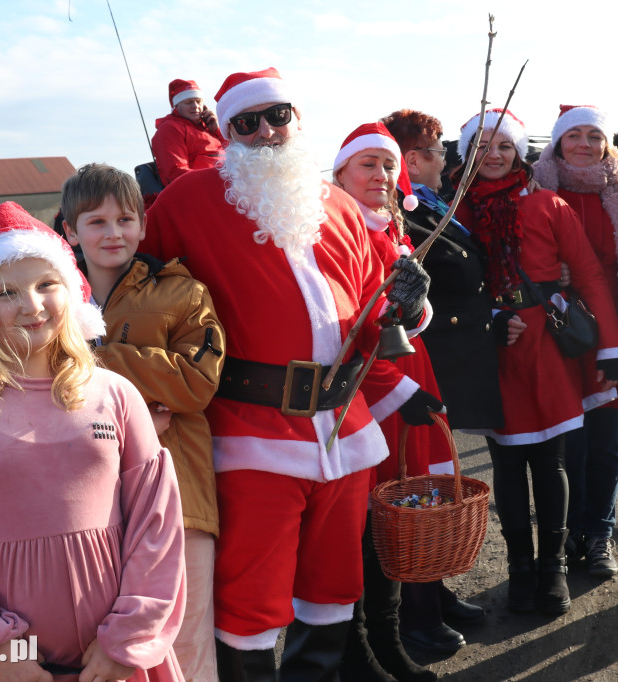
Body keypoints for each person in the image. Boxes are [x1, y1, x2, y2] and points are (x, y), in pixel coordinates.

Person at [140, 67, 433, 681]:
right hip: (250, 433)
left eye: (279, 116)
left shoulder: (340, 207)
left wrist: (405, 306)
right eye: (247, 123)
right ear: (227, 132)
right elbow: (139, 295)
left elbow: (369, 320)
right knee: (250, 598)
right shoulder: (186, 201)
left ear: (299, 121)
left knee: (332, 589)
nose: (267, 131)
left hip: (342, 432)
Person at [0, 201, 186, 682]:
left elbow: (157, 527)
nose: (32, 306)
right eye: (6, 293)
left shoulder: (114, 394)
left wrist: (127, 639)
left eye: (46, 285)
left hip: (117, 662)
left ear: (71, 292)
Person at [452, 108, 618, 616]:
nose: (494, 155)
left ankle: (553, 567)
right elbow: (452, 290)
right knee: (506, 461)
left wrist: (611, 346)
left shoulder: (548, 205)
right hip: (493, 349)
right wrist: (487, 318)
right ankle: (519, 567)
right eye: (482, 146)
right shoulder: (456, 214)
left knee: (551, 462)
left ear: (519, 151)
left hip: (547, 346)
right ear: (467, 156)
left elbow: (590, 276)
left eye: (503, 145)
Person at [60, 163, 226, 681]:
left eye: (125, 219)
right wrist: (141, 404)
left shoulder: (183, 293)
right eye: (96, 221)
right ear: (69, 229)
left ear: (143, 225)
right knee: (102, 648)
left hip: (180, 497)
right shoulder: (52, 302)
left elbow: (196, 383)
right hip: (80, 507)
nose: (114, 233)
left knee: (185, 641)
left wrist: (95, 356)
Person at [332, 122, 455, 682]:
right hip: (369, 387)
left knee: (402, 504)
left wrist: (414, 304)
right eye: (367, 165)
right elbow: (345, 330)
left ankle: (394, 629)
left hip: (403, 371)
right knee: (372, 517)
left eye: (387, 166)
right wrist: (397, 390)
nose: (381, 176)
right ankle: (371, 643)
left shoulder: (390, 228)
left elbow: (398, 319)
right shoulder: (335, 231)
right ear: (340, 175)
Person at [380, 109, 491, 648]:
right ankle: (412, 610)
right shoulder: (397, 214)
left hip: (429, 350)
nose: (446, 156)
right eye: (437, 148)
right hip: (406, 357)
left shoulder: (431, 206)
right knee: (411, 474)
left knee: (430, 469)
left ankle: (433, 588)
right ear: (414, 158)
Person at [533, 105, 618, 579]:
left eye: (594, 135)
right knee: (569, 448)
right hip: (561, 335)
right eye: (574, 135)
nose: (584, 144)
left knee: (608, 445)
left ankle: (600, 533)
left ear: (609, 144)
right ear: (558, 143)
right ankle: (567, 536)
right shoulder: (538, 194)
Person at [152, 78, 225, 187]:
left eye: (198, 101)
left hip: (228, 182)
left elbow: (236, 151)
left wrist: (218, 131)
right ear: (176, 106)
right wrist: (214, 181)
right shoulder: (169, 129)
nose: (195, 106)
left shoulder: (208, 127)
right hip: (204, 188)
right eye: (189, 102)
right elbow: (177, 172)